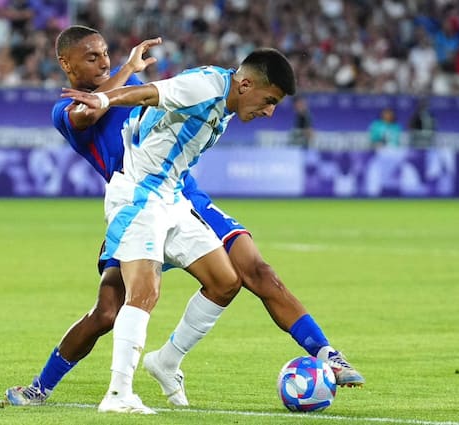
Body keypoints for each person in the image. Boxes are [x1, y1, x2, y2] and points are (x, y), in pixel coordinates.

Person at [6, 25, 363, 411]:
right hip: (137, 194)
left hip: (178, 193)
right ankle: (51, 387)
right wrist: (122, 77)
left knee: (244, 273)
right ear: (66, 63)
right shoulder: (68, 108)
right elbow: (91, 111)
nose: (103, 61)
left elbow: (168, 94)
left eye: (106, 53)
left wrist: (124, 77)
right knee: (108, 309)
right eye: (92, 56)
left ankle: (314, 351)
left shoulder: (211, 93)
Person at [62, 45, 297, 414]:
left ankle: (166, 361)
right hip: (139, 194)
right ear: (246, 83)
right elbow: (149, 93)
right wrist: (104, 100)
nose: (269, 112)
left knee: (225, 280)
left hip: (171, 198)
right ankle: (118, 394)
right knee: (142, 292)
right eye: (268, 101)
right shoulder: (204, 86)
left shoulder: (228, 101)